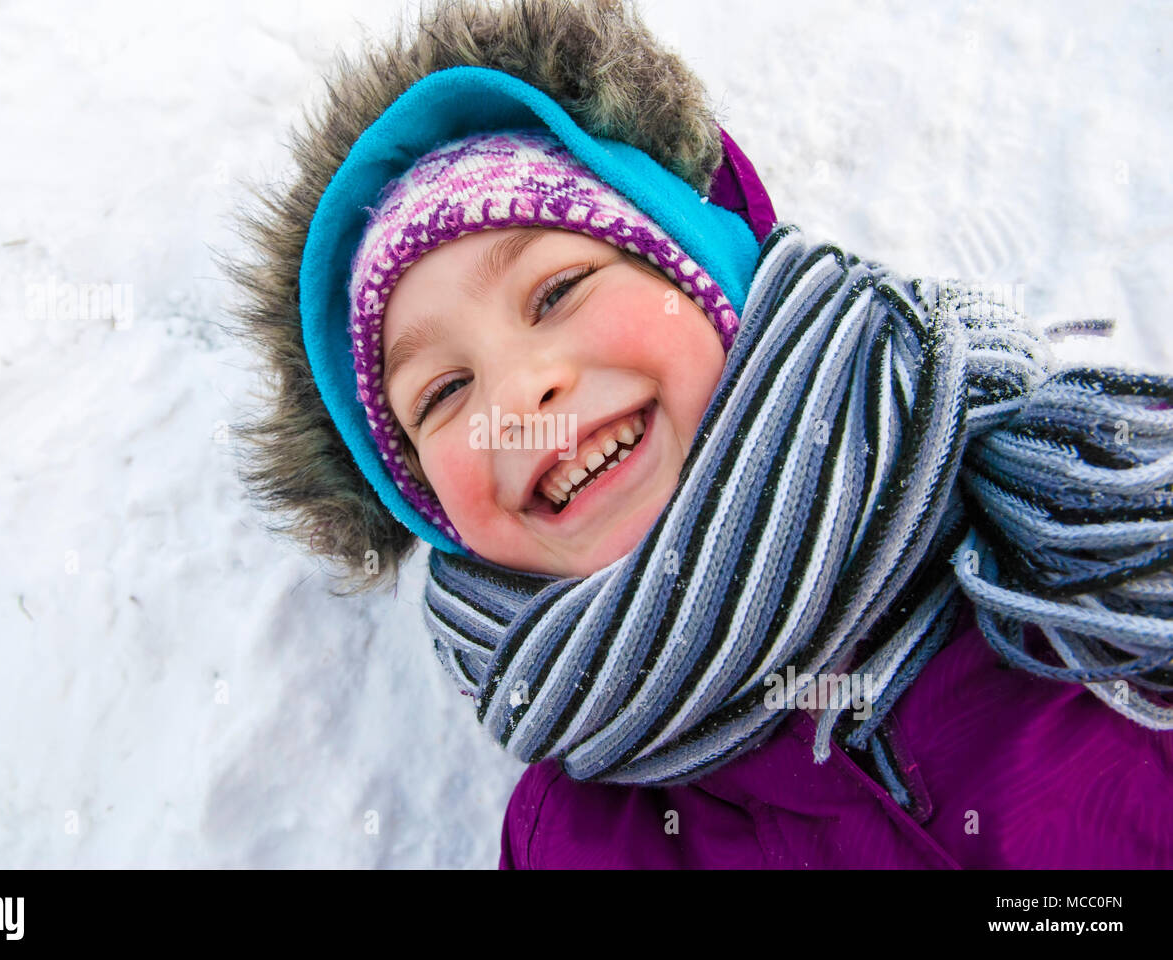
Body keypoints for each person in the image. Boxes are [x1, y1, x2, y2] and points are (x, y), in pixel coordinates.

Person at [222, 0, 1173, 868]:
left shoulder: (1084, 517)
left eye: (558, 291)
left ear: (709, 277)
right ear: (423, 506)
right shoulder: (578, 846)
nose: (519, 391)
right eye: (441, 393)